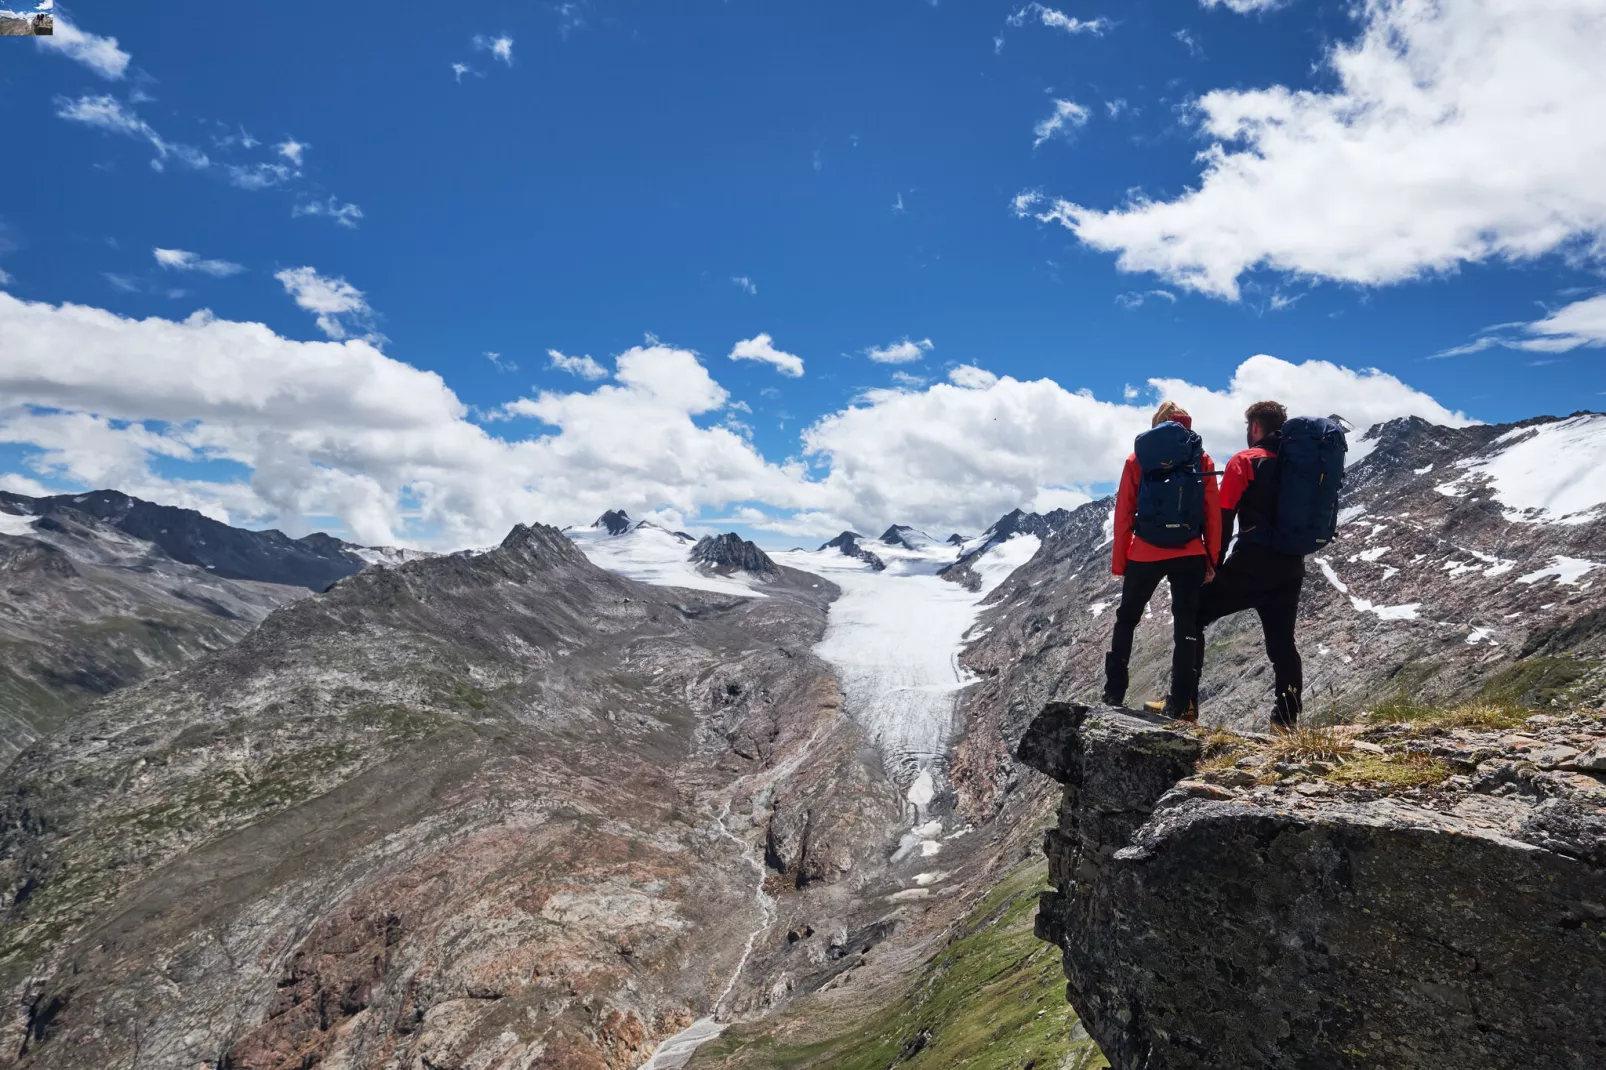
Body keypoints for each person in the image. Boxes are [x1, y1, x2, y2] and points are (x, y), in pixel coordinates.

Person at [1103, 401, 1221, 721]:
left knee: (1127, 618)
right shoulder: (1202, 458)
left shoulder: (1138, 458)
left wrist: (1121, 562)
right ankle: (1181, 703)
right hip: (1190, 552)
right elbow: (1212, 514)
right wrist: (1211, 559)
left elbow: (1124, 512)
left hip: (1145, 550)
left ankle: (1114, 691)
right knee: (1186, 625)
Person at [1194, 400, 1307, 727]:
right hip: (1291, 567)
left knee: (1193, 613)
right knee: (1283, 644)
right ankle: (1285, 720)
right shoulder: (1297, 464)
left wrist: (1212, 565)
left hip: (1253, 564)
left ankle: (1184, 703)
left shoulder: (1245, 461)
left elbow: (1224, 517)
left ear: (1255, 427)